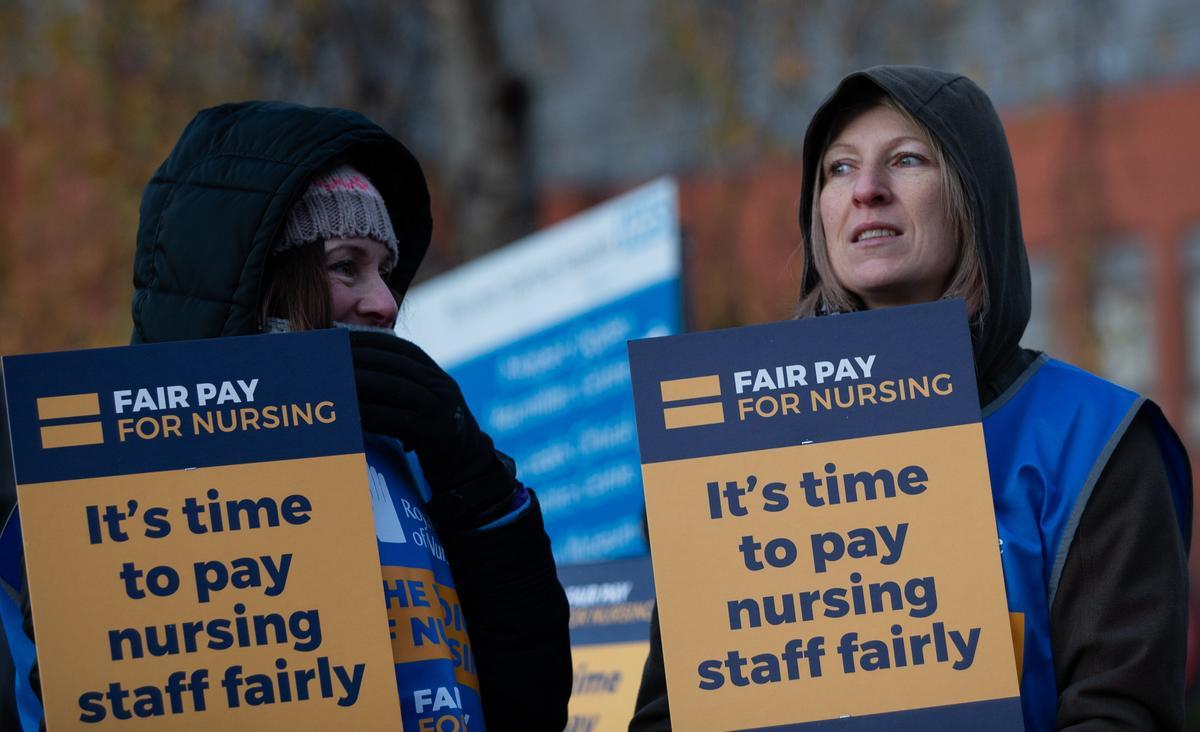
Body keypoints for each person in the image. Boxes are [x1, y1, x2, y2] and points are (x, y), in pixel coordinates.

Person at [631, 66, 1192, 731]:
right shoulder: (734, 442)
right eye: (838, 170)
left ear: (972, 196)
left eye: (906, 160)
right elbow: (673, 713)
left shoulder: (1093, 439)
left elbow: (1120, 710)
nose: (867, 190)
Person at [0, 101, 572, 730]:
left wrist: (481, 491)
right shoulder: (96, 492)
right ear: (259, 280)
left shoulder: (416, 457)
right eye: (345, 265)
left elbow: (530, 707)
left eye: (385, 271)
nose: (385, 302)